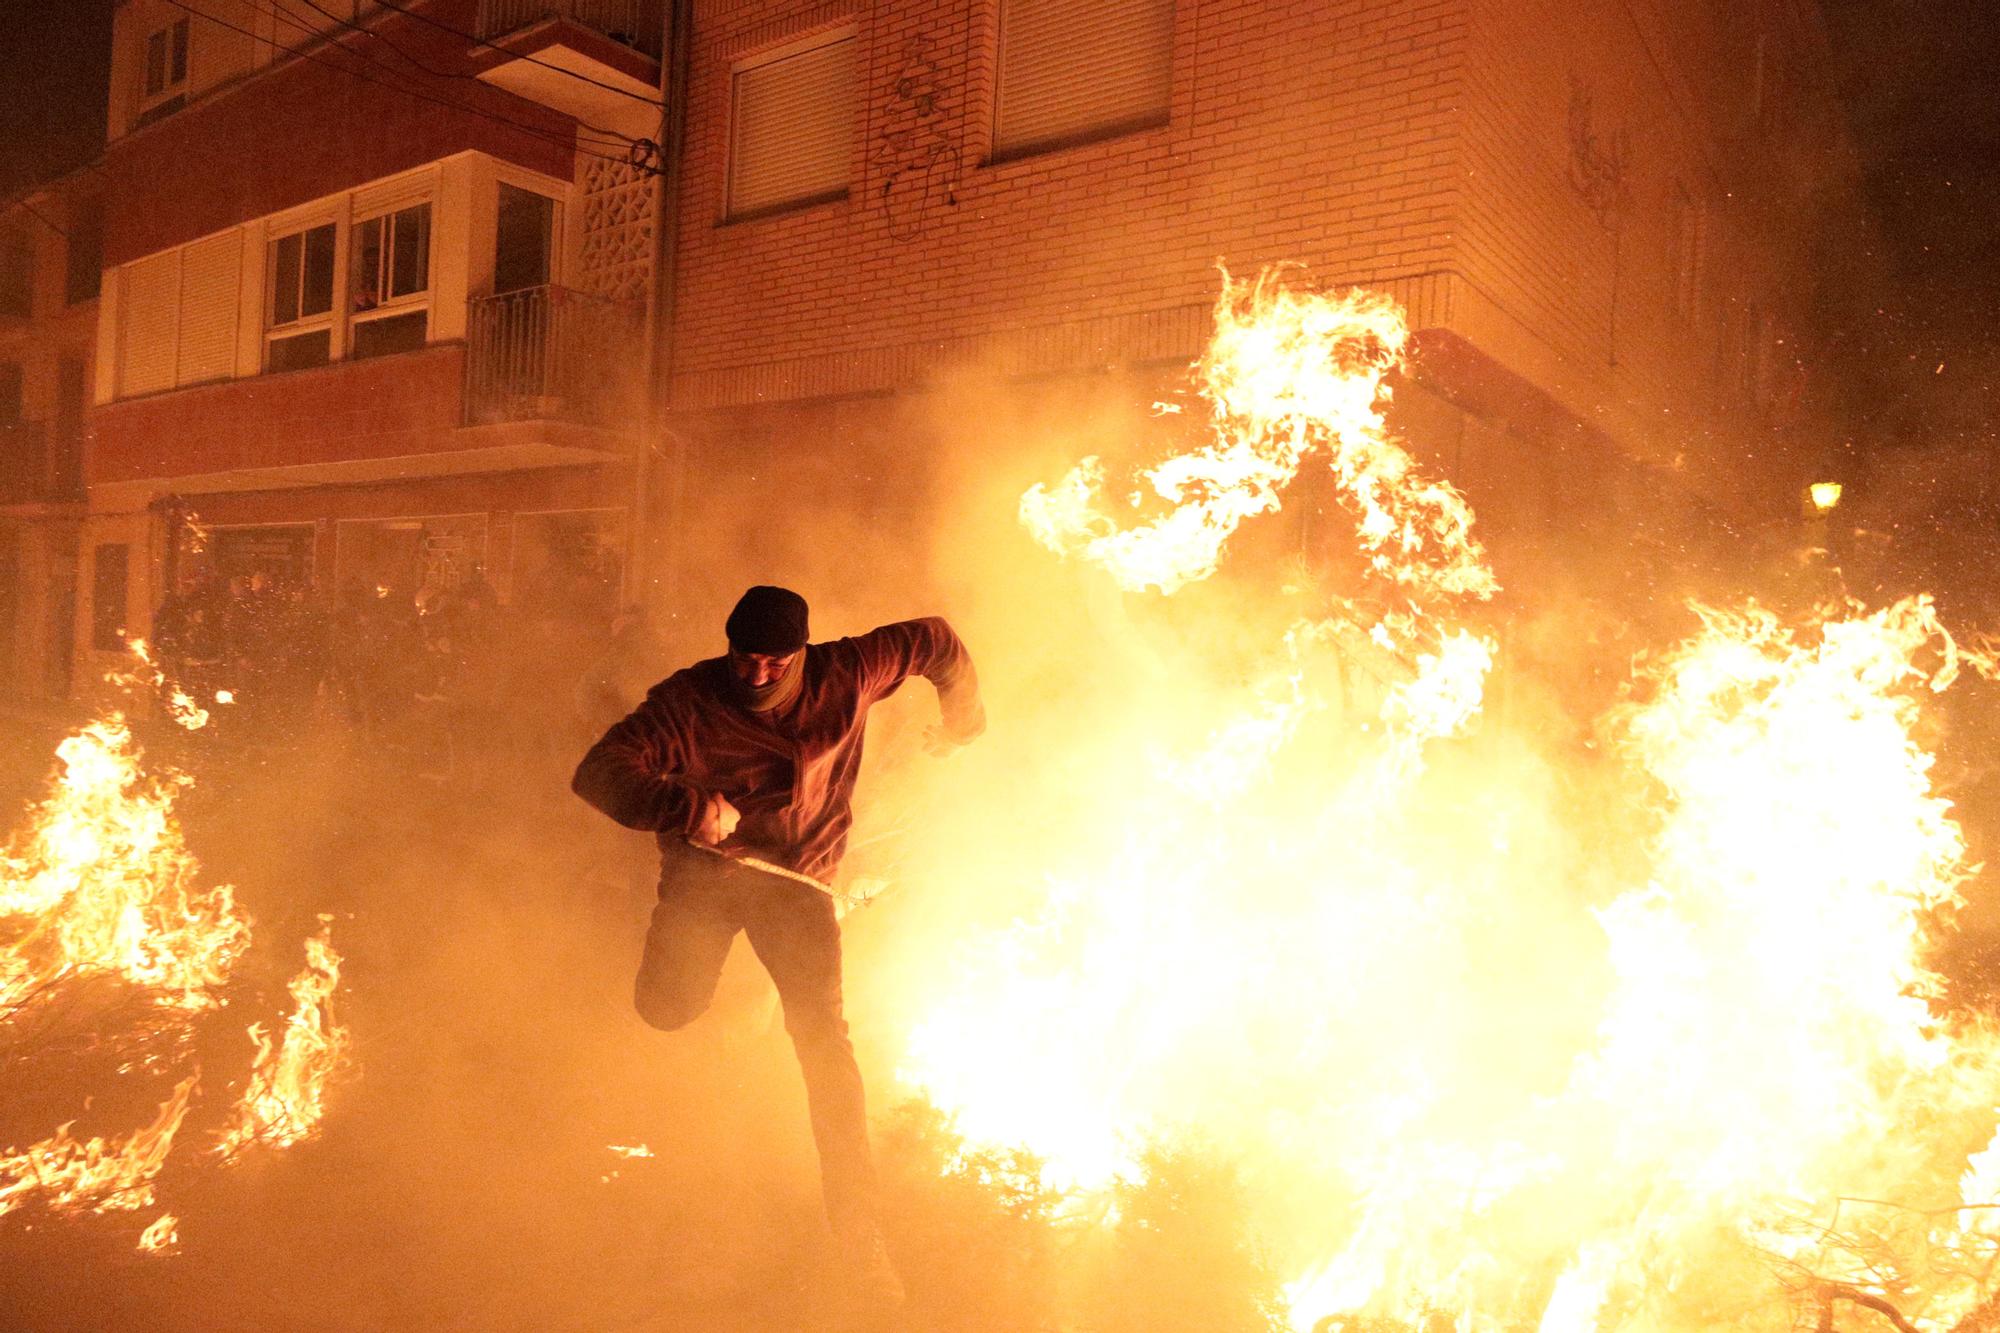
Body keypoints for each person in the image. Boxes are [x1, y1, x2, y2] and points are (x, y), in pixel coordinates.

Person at [571, 586, 984, 1307]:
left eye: (773, 661)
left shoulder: (848, 671)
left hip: (799, 889)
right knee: (667, 1010)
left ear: (801, 654)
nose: (756, 674)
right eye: (744, 658)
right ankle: (727, 995)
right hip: (707, 879)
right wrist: (687, 806)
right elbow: (598, 771)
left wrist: (962, 722)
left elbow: (938, 641)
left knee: (825, 1044)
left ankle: (859, 1236)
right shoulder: (689, 702)